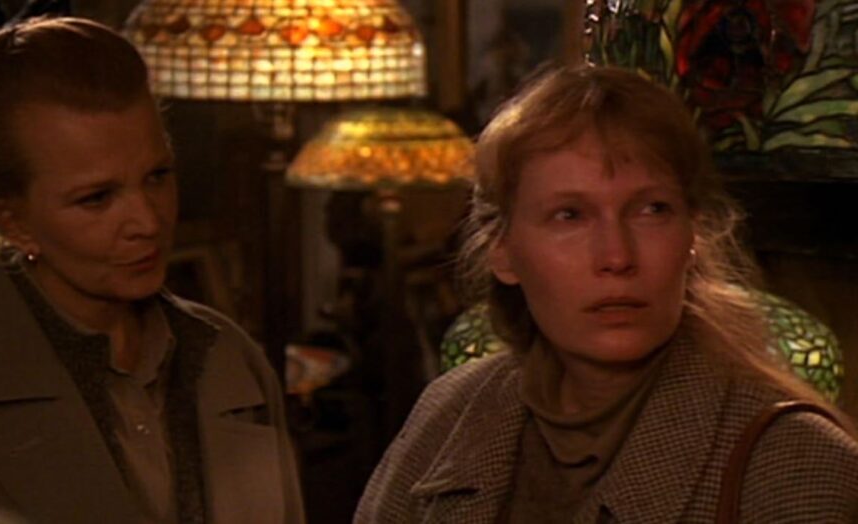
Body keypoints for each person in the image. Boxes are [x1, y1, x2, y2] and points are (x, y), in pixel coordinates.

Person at [0, 17, 304, 524]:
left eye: (157, 176)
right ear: (12, 222)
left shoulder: (230, 358)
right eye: (97, 198)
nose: (148, 222)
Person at [354, 65, 858, 522]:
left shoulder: (799, 463)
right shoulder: (449, 412)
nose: (616, 257)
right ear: (502, 250)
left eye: (651, 210)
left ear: (692, 235)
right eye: (569, 215)